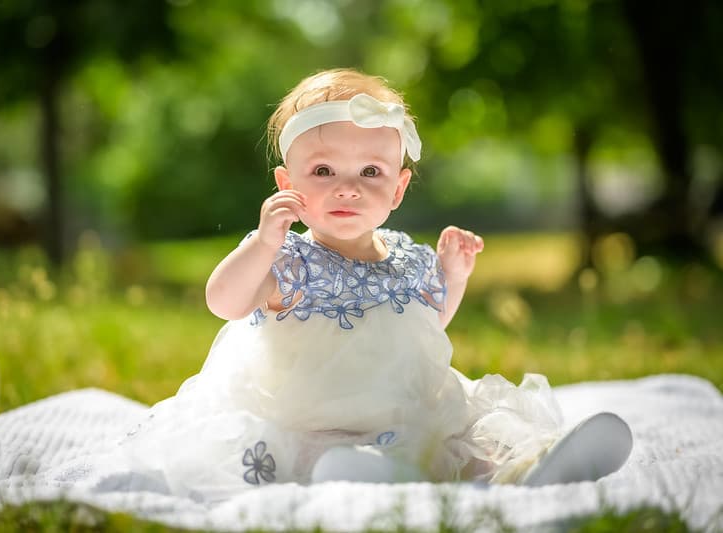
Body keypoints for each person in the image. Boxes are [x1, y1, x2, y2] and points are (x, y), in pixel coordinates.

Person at [119, 68, 631, 497]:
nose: (347, 187)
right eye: (322, 171)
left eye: (370, 171)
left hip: (408, 405)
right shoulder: (287, 260)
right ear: (286, 184)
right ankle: (378, 478)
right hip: (316, 416)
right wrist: (263, 243)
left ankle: (530, 469)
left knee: (469, 434)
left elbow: (425, 329)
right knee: (325, 454)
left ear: (398, 188)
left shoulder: (407, 256)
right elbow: (223, 302)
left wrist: (452, 275)